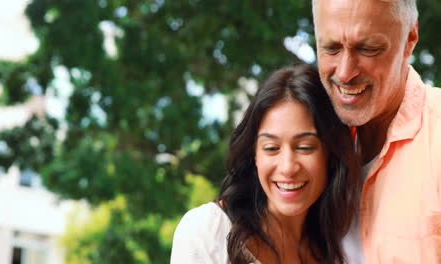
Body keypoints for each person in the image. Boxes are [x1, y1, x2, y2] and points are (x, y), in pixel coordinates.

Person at [170, 64, 360, 263]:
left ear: (331, 154)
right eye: (271, 148)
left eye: (305, 147)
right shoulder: (208, 231)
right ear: (254, 154)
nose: (287, 167)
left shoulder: (342, 247)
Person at [312, 0, 441, 263]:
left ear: (410, 38)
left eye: (368, 49)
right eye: (331, 48)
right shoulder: (311, 136)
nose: (346, 73)